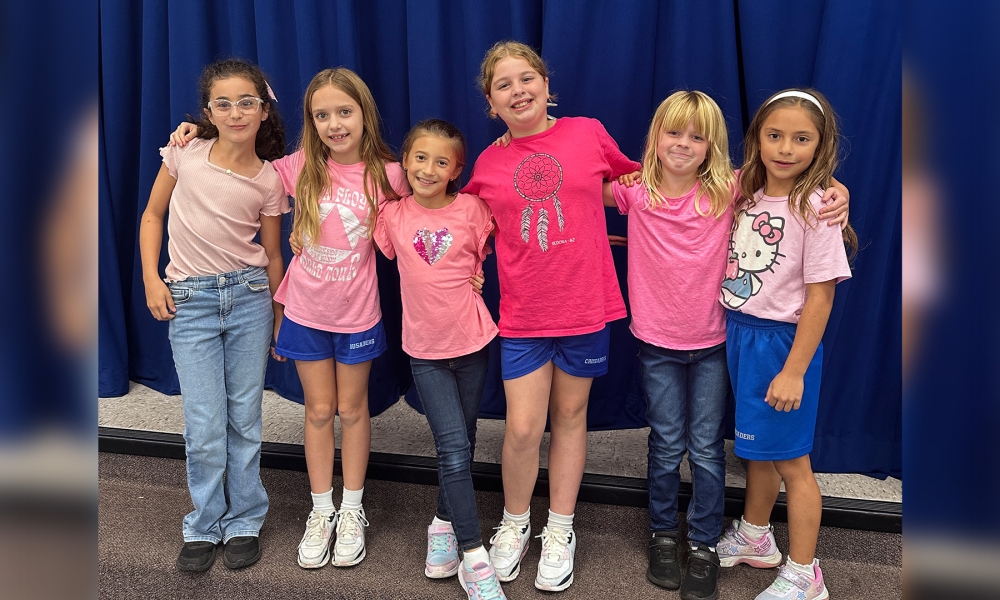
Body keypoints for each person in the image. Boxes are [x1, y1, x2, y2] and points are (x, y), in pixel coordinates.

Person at [603, 91, 849, 600]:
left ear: (715, 146)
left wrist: (835, 190)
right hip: (671, 342)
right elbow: (581, 184)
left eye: (698, 136)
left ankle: (708, 543)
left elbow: (807, 216)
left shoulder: (731, 191)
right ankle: (667, 534)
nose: (684, 144)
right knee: (677, 443)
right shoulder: (643, 193)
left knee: (711, 449)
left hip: (722, 340)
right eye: (673, 132)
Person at [171, 66, 408, 569]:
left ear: (364, 115)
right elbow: (238, 160)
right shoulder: (295, 168)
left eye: (344, 112)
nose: (334, 124)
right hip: (304, 312)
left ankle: (351, 509)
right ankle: (320, 511)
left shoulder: (390, 175)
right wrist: (194, 133)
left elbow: (431, 209)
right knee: (318, 411)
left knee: (353, 410)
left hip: (359, 315)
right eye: (322, 115)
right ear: (310, 121)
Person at [462, 41, 641, 592]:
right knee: (521, 427)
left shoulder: (588, 132)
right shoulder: (490, 162)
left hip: (585, 308)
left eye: (526, 78)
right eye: (503, 85)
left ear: (546, 84)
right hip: (524, 316)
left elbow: (636, 185)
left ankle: (559, 529)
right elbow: (456, 215)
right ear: (491, 103)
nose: (518, 91)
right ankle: (516, 522)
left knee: (569, 418)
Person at [140, 58, 288, 572]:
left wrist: (277, 315)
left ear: (264, 110)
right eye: (222, 103)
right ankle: (205, 522)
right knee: (204, 421)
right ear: (208, 112)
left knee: (244, 416)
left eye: (247, 101)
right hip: (191, 302)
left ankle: (245, 518)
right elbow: (152, 215)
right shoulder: (185, 153)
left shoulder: (270, 180)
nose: (235, 111)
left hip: (248, 298)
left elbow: (272, 255)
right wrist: (151, 278)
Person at [716, 89, 857, 600]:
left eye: (802, 139)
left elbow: (820, 300)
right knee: (757, 450)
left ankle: (805, 573)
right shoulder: (744, 190)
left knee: (793, 463)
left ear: (821, 146)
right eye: (775, 135)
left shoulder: (817, 207)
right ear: (757, 139)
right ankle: (756, 536)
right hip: (740, 336)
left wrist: (794, 369)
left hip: (782, 346)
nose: (786, 148)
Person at [372, 118, 505, 599]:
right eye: (420, 158)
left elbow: (488, 252)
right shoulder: (391, 216)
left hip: (473, 342)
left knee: (465, 441)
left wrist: (479, 275)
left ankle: (442, 525)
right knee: (451, 448)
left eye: (441, 161)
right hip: (424, 351)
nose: (429, 168)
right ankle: (475, 557)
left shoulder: (473, 209)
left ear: (457, 170)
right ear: (404, 161)